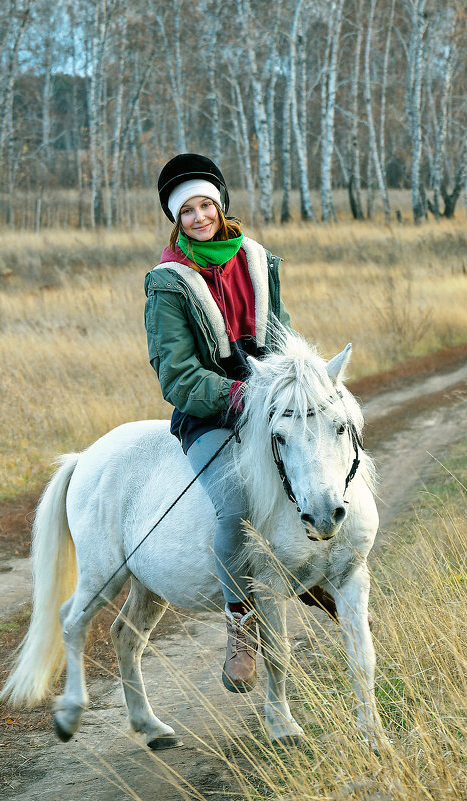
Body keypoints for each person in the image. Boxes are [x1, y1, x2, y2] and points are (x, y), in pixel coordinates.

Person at [143, 153, 295, 693]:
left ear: (221, 204)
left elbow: (280, 333)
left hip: (266, 396)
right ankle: (241, 626)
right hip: (210, 409)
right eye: (187, 211)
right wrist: (241, 394)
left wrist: (293, 380)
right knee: (236, 508)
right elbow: (177, 376)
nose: (200, 216)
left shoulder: (255, 259)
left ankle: (328, 577)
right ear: (176, 220)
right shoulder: (167, 282)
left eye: (207, 203)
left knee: (315, 469)